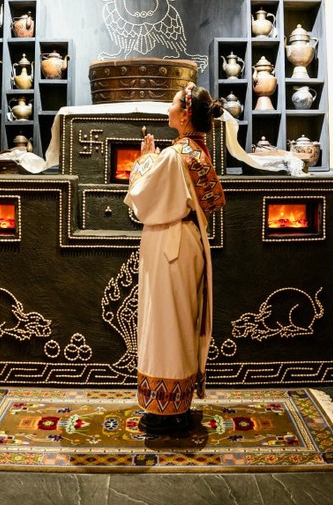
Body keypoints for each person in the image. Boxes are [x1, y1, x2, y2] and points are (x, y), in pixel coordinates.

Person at [124, 83, 226, 435]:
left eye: (172, 103)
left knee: (165, 324)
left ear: (184, 115)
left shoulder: (174, 155)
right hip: (186, 242)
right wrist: (154, 162)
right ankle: (177, 404)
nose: (167, 108)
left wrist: (142, 162)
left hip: (171, 245)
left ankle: (168, 412)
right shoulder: (195, 151)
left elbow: (142, 198)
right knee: (181, 321)